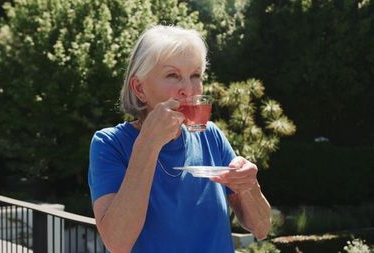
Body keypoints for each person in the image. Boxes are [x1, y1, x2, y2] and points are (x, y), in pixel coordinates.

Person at [88, 25, 271, 253]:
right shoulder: (110, 144)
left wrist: (249, 185)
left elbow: (262, 229)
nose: (188, 89)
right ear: (139, 88)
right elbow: (117, 243)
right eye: (173, 75)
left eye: (195, 75)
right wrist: (148, 143)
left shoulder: (210, 136)